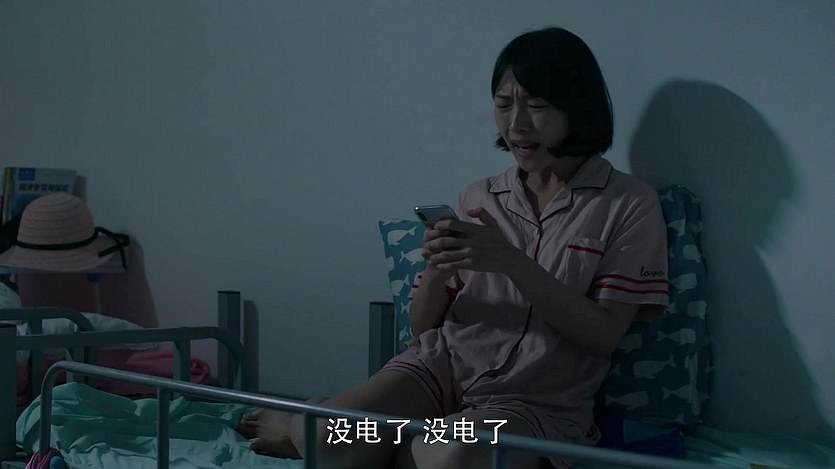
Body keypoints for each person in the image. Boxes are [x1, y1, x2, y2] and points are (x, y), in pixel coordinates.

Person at [236, 26, 669, 469]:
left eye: (536, 106)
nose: (516, 124)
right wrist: (438, 269)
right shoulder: (479, 198)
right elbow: (422, 327)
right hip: (437, 371)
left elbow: (603, 335)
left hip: (531, 404)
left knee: (452, 453)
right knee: (328, 436)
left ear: (577, 108)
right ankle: (323, 427)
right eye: (503, 104)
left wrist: (513, 263)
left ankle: (378, 441)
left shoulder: (628, 203)